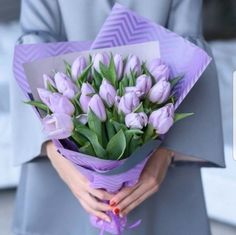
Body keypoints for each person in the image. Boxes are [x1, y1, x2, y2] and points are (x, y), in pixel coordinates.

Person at [11, 0, 225, 234]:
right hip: (59, 162)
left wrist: (165, 154)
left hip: (159, 161)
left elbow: (190, 46)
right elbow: (30, 43)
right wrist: (55, 151)